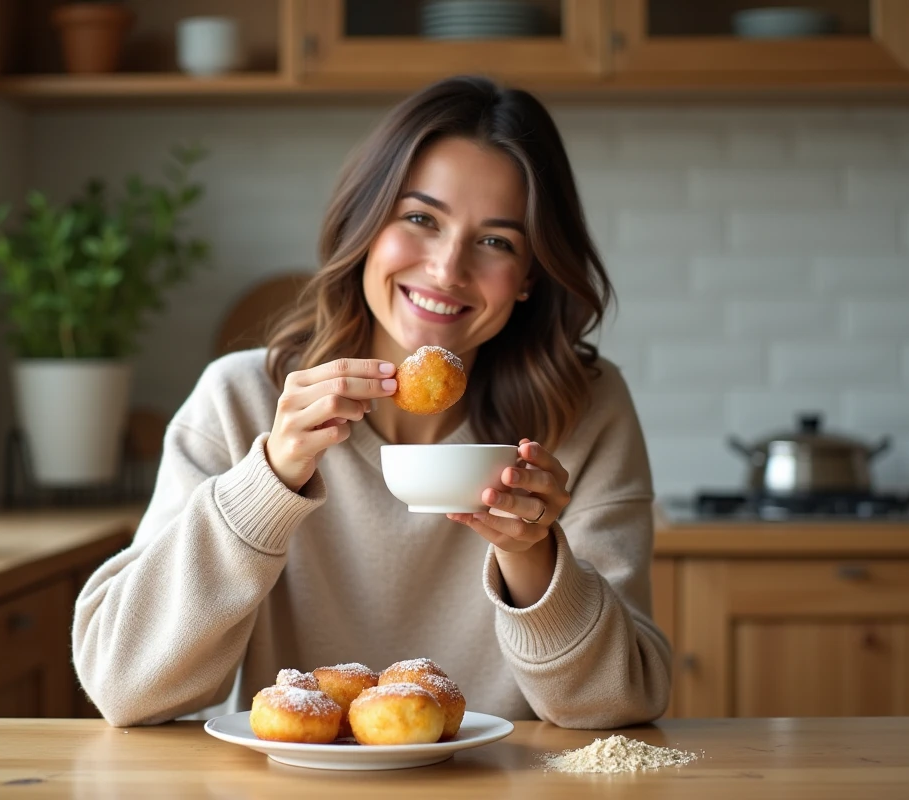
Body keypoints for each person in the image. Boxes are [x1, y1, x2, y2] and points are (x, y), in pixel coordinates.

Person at [73, 75, 672, 729]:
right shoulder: (240, 400)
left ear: (529, 276)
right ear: (366, 225)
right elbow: (123, 686)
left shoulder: (584, 410)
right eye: (420, 219)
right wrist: (270, 477)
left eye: (496, 241)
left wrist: (533, 554)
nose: (447, 269)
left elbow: (621, 703)